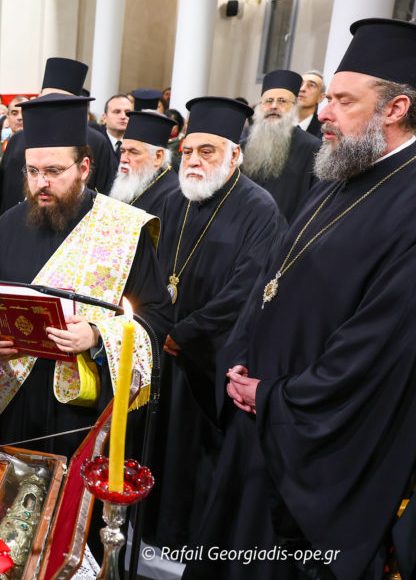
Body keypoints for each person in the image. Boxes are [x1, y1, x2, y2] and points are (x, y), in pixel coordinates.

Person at [185, 19, 416, 580]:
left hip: (309, 439)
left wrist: (278, 397)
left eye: (342, 100)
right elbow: (273, 278)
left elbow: (378, 348)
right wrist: (241, 359)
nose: (325, 112)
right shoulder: (341, 171)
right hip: (257, 413)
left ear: (395, 108)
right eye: (328, 97)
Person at [0, 93, 171, 458]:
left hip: (82, 405)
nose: (40, 182)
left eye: (54, 171)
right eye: (32, 171)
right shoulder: (9, 224)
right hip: (18, 397)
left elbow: (155, 315)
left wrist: (96, 335)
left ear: (84, 167)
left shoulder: (123, 229)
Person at [146, 96, 286, 550]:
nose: (194, 160)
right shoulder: (173, 199)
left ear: (234, 154)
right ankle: (143, 522)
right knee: (153, 439)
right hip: (160, 343)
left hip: (208, 356)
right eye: (188, 150)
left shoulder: (260, 208)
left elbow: (248, 288)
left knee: (190, 448)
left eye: (207, 151)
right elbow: (149, 269)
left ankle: (182, 536)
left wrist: (185, 333)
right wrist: (157, 325)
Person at [0, 58, 117, 230]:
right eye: (46, 98)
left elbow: (104, 196)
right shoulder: (17, 139)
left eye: (58, 100)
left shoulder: (96, 141)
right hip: (19, 227)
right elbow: (0, 196)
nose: (49, 105)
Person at [241, 70, 322, 222]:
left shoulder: (313, 148)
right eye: (268, 101)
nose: (274, 106)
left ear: (294, 107)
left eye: (282, 101)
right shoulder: (244, 148)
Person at [108, 110, 181, 216]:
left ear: (158, 157)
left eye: (133, 152)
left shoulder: (173, 195)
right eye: (123, 151)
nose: (123, 159)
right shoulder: (130, 181)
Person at [296, 70, 325, 138]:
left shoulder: (324, 132)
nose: (302, 89)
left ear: (321, 97)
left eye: (311, 85)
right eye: (300, 84)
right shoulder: (277, 121)